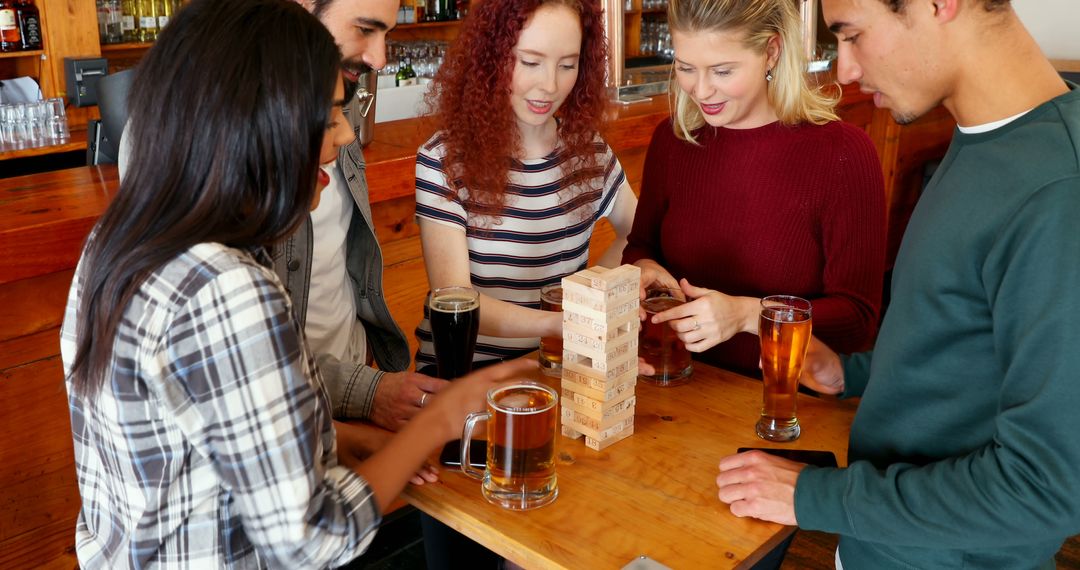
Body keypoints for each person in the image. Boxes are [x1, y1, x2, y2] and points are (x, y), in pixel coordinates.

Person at [59, 1, 534, 567]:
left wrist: (342, 440)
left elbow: (202, 438)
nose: (344, 135)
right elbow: (311, 540)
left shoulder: (117, 243)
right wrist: (441, 418)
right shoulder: (228, 289)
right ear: (258, 124)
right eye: (331, 115)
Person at [715, 0, 1080, 568]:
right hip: (883, 547)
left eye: (853, 35)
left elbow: (1047, 487)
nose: (845, 71)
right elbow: (970, 353)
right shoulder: (984, 137)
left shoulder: (1059, 191)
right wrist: (852, 373)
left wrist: (813, 496)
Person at [621, 0, 886, 378]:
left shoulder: (843, 153)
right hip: (678, 390)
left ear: (771, 52)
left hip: (781, 399)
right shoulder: (673, 140)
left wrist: (748, 315)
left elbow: (857, 319)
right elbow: (641, 246)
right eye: (685, 68)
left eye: (722, 71)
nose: (701, 90)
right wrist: (644, 268)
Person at [412, 0, 638, 374]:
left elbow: (638, 233)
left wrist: (589, 294)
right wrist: (559, 324)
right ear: (491, 59)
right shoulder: (445, 159)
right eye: (530, 62)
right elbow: (454, 299)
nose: (549, 85)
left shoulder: (589, 152)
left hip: (555, 369)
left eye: (567, 65)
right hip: (462, 377)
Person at [277, 0, 449, 430]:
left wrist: (368, 380)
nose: (380, 58)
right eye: (365, 30)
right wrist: (365, 392)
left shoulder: (343, 91)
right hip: (290, 418)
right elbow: (243, 365)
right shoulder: (205, 130)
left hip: (351, 392)